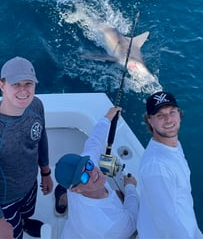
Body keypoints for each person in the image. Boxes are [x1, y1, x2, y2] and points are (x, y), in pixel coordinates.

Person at [55, 107, 139, 239]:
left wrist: (107, 118)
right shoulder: (113, 224)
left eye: (88, 165)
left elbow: (95, 141)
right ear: (75, 190)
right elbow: (132, 219)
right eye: (83, 177)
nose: (94, 172)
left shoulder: (86, 168)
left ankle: (61, 201)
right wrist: (130, 187)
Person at [137, 91, 203, 239]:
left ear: (179, 114)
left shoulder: (172, 145)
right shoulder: (157, 167)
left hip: (188, 229)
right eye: (160, 115)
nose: (168, 119)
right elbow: (166, 224)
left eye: (172, 112)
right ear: (150, 120)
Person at [0, 56, 53, 239]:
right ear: (2, 85)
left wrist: (45, 173)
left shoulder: (36, 105)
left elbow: (41, 137)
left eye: (28, 83)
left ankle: (24, 222)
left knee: (27, 214)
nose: (23, 90)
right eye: (16, 84)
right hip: (5, 201)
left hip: (31, 184)